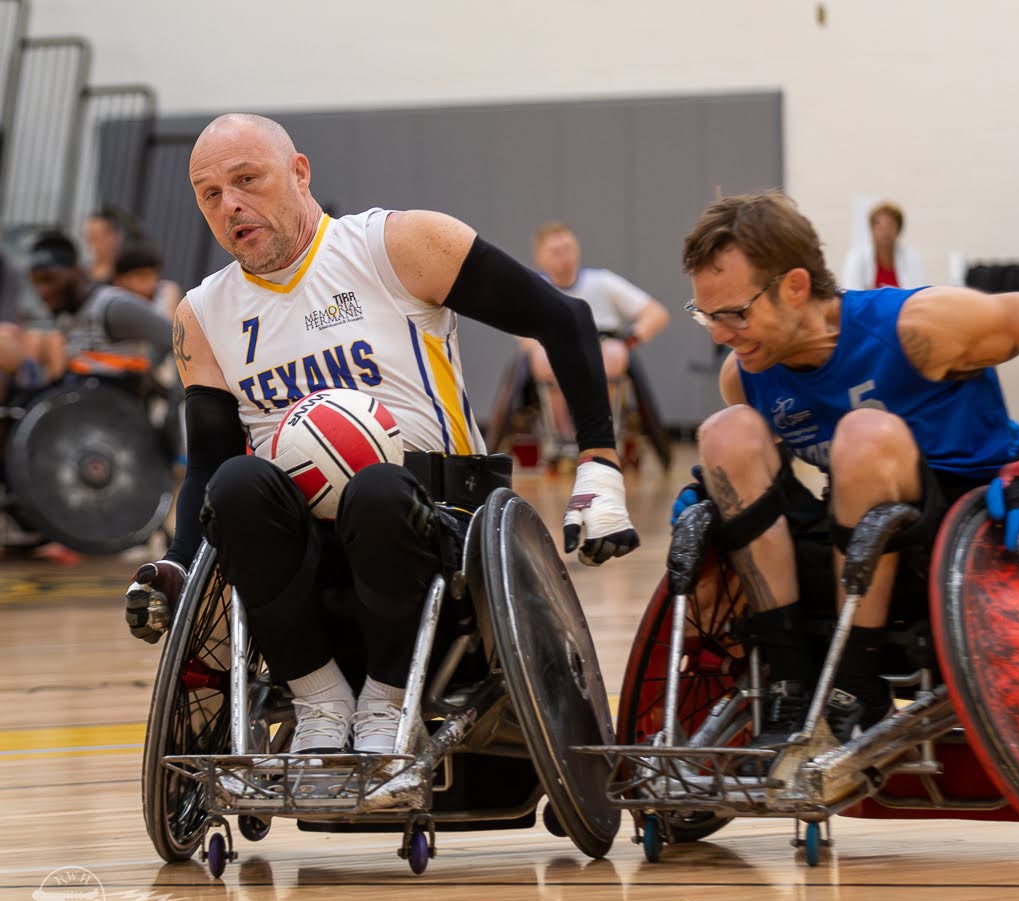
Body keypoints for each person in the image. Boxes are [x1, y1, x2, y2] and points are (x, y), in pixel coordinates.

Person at [123, 113, 640, 757]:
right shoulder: (202, 314)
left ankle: (387, 702)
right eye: (210, 194)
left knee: (375, 491)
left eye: (247, 180)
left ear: (300, 173)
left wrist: (598, 462)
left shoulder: (397, 246)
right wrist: (175, 563)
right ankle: (319, 698)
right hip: (300, 543)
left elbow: (563, 320)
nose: (230, 205)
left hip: (435, 519)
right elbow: (205, 467)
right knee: (235, 483)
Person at [674, 191, 1019, 747]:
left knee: (863, 432)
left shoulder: (918, 326)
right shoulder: (748, 372)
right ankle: (787, 683)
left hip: (953, 540)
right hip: (852, 538)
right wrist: (716, 494)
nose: (718, 334)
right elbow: (757, 473)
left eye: (734, 313)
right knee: (724, 431)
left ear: (795, 287)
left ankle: (858, 683)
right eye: (705, 315)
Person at [522, 222, 669, 453]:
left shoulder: (602, 282)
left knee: (613, 353)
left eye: (568, 249)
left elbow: (656, 313)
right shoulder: (534, 287)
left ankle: (602, 432)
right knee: (542, 357)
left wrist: (629, 340)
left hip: (602, 345)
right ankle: (562, 437)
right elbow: (522, 333)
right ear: (539, 258)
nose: (565, 258)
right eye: (556, 252)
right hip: (554, 347)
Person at [25, 230, 173, 383]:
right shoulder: (67, 313)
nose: (42, 291)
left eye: (49, 280)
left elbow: (174, 337)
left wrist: (148, 372)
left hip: (117, 400)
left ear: (76, 273)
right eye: (35, 283)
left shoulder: (112, 307)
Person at [840, 200, 926, 290]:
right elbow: (852, 294)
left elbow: (920, 294)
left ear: (899, 230)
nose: (885, 232)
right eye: (879, 226)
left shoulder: (912, 258)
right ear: (872, 230)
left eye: (890, 226)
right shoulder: (856, 257)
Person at [112, 242, 184, 321]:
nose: (151, 282)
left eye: (154, 275)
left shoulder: (166, 291)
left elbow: (168, 325)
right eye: (142, 276)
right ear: (120, 280)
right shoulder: (111, 299)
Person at [82, 204, 143, 284]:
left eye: (95, 236)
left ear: (113, 237)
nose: (90, 242)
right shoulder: (83, 272)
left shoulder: (127, 273)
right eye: (88, 235)